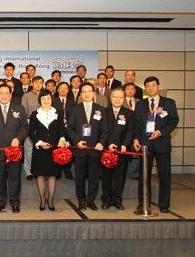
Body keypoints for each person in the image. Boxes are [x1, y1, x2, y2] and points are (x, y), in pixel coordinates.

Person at [133, 76, 179, 214]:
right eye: (147, 86)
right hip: (144, 144)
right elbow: (136, 124)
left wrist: (161, 132)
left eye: (153, 85)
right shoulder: (141, 104)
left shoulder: (169, 103)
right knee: (144, 175)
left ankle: (164, 204)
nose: (150, 88)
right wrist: (135, 139)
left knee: (164, 175)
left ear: (158, 86)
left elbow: (174, 121)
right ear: (145, 88)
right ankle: (143, 203)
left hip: (162, 143)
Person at [0, 84, 28, 213]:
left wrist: (18, 139)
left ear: (10, 94)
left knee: (15, 177)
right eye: (1, 93)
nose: (4, 95)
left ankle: (15, 202)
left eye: (6, 93)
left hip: (14, 150)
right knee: (0, 177)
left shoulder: (19, 109)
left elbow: (25, 127)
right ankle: (1, 202)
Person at [67, 82, 108, 211]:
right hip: (80, 149)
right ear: (80, 94)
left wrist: (101, 143)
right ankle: (82, 200)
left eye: (89, 91)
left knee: (94, 177)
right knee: (79, 176)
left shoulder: (100, 109)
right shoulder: (75, 109)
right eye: (83, 92)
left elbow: (105, 130)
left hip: (95, 149)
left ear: (93, 93)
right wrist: (77, 141)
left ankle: (91, 201)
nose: (86, 94)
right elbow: (70, 129)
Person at [29, 90, 69, 211]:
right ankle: (42, 199)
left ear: (51, 99)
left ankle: (50, 200)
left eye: (48, 98)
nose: (46, 101)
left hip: (54, 149)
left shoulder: (58, 112)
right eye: (43, 99)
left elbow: (62, 130)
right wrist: (39, 143)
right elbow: (31, 132)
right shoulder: (34, 113)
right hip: (40, 149)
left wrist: (62, 139)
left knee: (52, 175)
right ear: (39, 101)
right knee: (40, 175)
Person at [101, 87, 134, 210]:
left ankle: (117, 199)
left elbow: (130, 131)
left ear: (124, 99)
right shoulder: (103, 112)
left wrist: (125, 144)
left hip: (122, 150)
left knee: (120, 176)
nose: (117, 99)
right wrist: (108, 144)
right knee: (106, 176)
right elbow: (103, 130)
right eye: (115, 97)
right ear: (110, 98)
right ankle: (107, 199)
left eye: (120, 97)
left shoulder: (129, 113)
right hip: (107, 149)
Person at [21, 76, 44, 181]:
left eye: (40, 82)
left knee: (42, 148)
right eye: (36, 82)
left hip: (44, 123)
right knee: (29, 148)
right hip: (30, 122)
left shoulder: (46, 95)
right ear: (32, 84)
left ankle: (40, 170)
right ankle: (28, 171)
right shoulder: (26, 96)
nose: (38, 84)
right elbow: (23, 113)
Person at [52, 81, 75, 180]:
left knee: (68, 149)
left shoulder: (72, 101)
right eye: (61, 88)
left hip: (69, 129)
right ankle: (57, 171)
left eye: (65, 88)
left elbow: (75, 115)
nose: (63, 90)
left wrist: (68, 122)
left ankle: (67, 171)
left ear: (68, 90)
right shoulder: (53, 101)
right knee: (57, 148)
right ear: (57, 90)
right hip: (57, 128)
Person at [123, 82, 141, 179]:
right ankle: (122, 173)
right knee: (122, 152)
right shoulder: (120, 101)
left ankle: (134, 173)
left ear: (135, 91)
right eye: (128, 89)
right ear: (124, 91)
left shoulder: (140, 102)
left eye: (132, 89)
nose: (130, 91)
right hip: (123, 131)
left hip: (136, 131)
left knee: (135, 153)